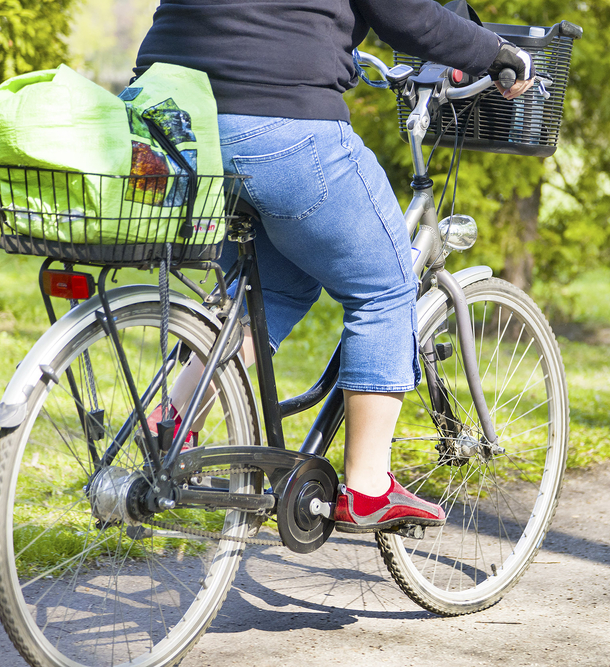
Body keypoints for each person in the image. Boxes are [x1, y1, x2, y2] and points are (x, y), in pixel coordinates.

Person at [133, 0, 535, 533]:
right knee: (386, 287)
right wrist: (497, 53)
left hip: (170, 121)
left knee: (275, 288)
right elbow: (407, 13)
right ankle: (368, 486)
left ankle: (176, 420)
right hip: (278, 121)